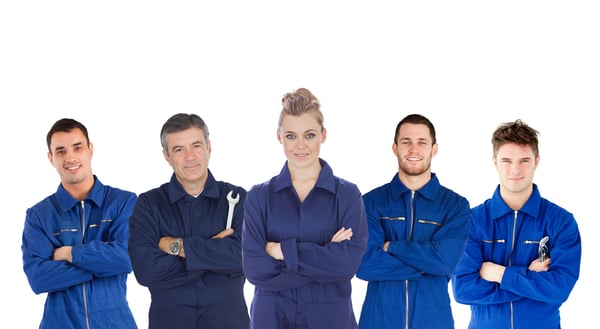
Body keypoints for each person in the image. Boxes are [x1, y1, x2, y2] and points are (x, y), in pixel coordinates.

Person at [242, 87, 368, 329]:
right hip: (272, 316)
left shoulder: (347, 195)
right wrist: (324, 255)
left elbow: (346, 266)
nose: (300, 145)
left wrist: (282, 251)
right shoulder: (259, 196)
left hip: (329, 318)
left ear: (323, 135)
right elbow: (255, 269)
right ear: (279, 137)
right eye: (291, 136)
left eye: (309, 135)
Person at [451, 119, 581, 328]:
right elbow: (464, 289)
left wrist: (498, 274)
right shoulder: (471, 221)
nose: (515, 169)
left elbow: (560, 288)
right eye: (506, 161)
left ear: (537, 161)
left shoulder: (561, 222)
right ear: (494, 162)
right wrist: (530, 280)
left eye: (524, 160)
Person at [128, 113, 249, 329]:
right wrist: (216, 254)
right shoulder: (148, 204)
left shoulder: (238, 198)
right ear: (166, 156)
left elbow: (247, 258)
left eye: (196, 146)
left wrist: (176, 247)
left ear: (209, 147)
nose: (190, 156)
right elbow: (146, 271)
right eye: (178, 149)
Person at [356, 113, 471, 329]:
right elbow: (364, 265)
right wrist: (426, 266)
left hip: (434, 322)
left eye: (422, 142)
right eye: (406, 142)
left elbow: (444, 262)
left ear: (434, 149)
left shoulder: (455, 206)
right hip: (378, 321)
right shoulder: (370, 202)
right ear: (395, 148)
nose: (413, 149)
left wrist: (390, 247)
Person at [21, 118, 138, 329]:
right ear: (51, 158)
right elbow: (38, 279)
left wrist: (69, 253)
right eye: (61, 151)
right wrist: (104, 265)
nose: (70, 157)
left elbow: (128, 259)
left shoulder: (123, 203)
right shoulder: (38, 215)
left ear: (90, 149)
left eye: (77, 147)